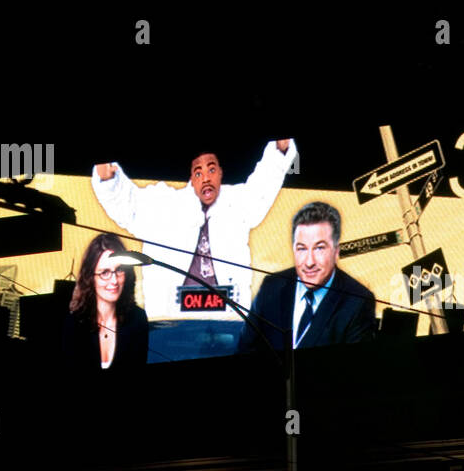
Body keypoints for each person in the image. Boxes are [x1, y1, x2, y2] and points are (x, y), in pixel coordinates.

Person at [91, 141, 296, 360]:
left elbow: (265, 182)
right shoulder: (164, 205)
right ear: (190, 178)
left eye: (211, 169)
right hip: (170, 333)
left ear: (220, 173)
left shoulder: (238, 203)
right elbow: (125, 202)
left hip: (228, 331)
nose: (206, 178)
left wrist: (280, 149)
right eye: (198, 173)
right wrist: (107, 174)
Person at [239, 201, 377, 353]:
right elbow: (245, 352)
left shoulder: (358, 302)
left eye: (319, 248)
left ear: (336, 252)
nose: (309, 262)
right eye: (302, 249)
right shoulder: (272, 286)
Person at [62, 233, 149, 370]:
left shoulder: (137, 319)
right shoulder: (73, 324)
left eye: (119, 270)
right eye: (105, 273)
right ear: (90, 277)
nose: (114, 280)